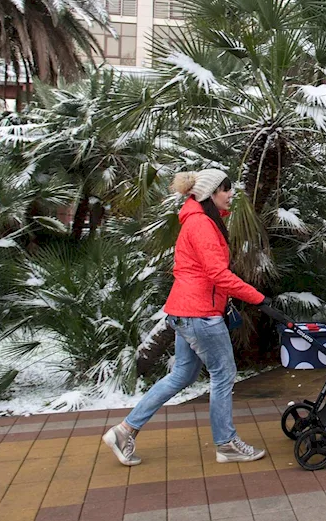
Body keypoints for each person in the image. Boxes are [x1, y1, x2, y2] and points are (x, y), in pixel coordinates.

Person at [103, 169, 269, 466]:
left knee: (182, 374)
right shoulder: (202, 225)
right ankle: (226, 443)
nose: (231, 193)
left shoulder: (196, 221)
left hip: (184, 310)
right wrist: (258, 298)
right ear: (209, 194)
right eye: (225, 188)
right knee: (223, 375)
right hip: (200, 314)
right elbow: (218, 274)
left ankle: (125, 430)